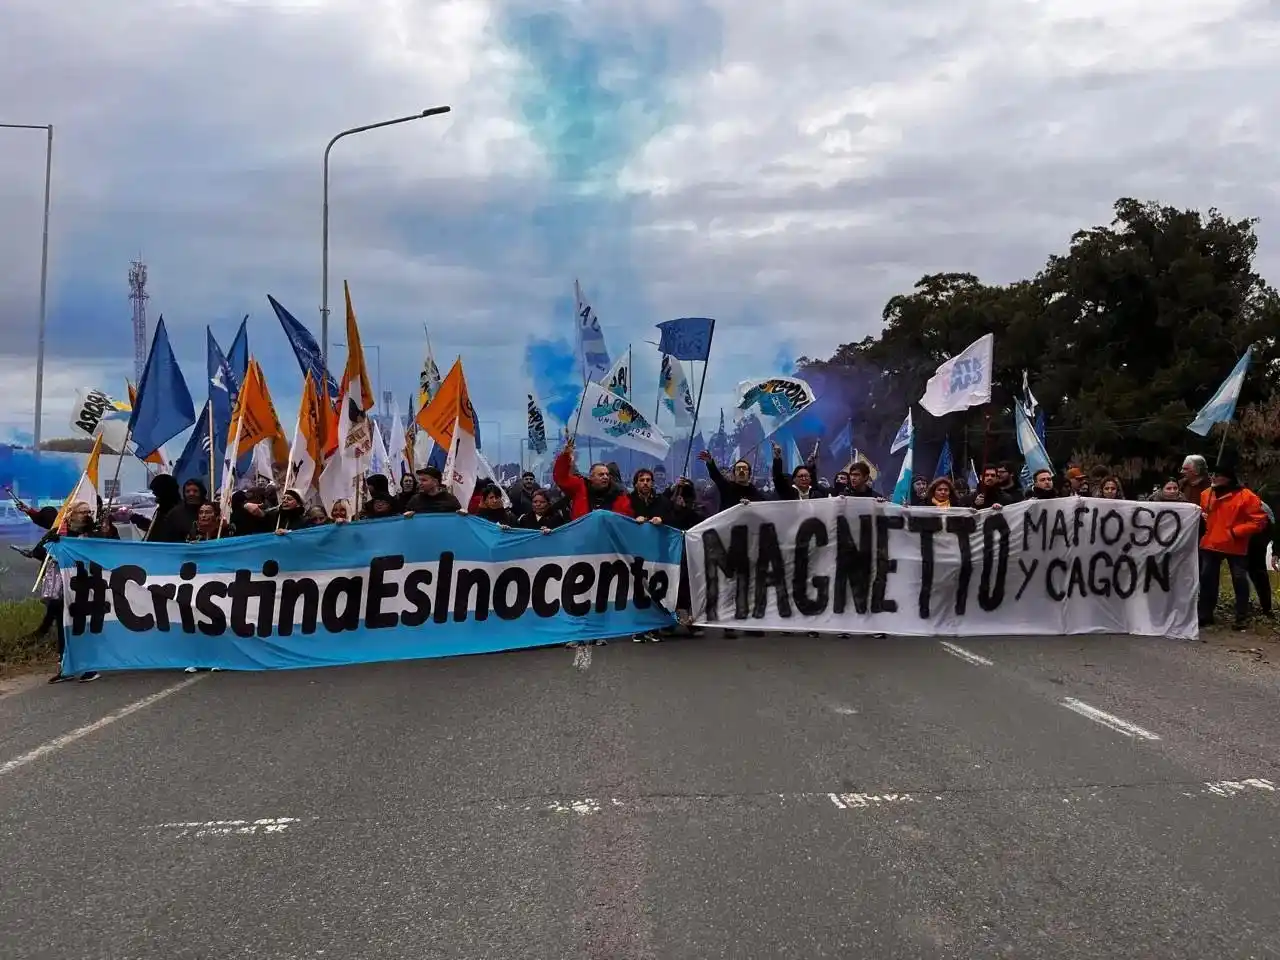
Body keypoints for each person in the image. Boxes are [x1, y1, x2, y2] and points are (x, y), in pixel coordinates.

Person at [1197, 458, 1269, 630]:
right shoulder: (1206, 494)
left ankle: (1241, 616)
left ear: (1228, 478)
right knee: (1207, 579)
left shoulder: (1247, 497)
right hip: (1211, 543)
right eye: (1212, 474)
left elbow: (1259, 520)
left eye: (1218, 475)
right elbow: (1204, 515)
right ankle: (1205, 614)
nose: (1213, 478)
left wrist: (1236, 532)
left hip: (1235, 544)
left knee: (1239, 580)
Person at [43, 501, 105, 683]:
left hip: (85, 588)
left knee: (83, 627)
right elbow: (41, 552)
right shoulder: (59, 532)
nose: (85, 515)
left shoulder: (93, 533)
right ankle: (66, 667)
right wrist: (52, 542)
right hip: (63, 590)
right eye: (82, 512)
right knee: (64, 628)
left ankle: (89, 666)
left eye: (88, 512)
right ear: (71, 514)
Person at [553, 439, 632, 520]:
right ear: (591, 477)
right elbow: (561, 479)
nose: (605, 477)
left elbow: (625, 518)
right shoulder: (580, 487)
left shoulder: (619, 494)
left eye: (607, 474)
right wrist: (565, 456)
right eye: (601, 474)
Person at [696, 450, 764, 512]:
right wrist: (710, 462)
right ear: (734, 474)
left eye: (744, 469)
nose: (741, 472)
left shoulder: (753, 490)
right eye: (738, 469)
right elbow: (716, 476)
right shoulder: (728, 487)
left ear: (749, 474)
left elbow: (763, 504)